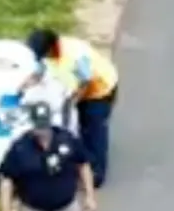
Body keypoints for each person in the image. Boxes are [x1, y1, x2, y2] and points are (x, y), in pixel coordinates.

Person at [21, 28, 120, 187]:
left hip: (100, 91)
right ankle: (82, 163)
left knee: (94, 131)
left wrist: (73, 102)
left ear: (51, 48)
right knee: (79, 127)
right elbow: (41, 69)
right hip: (80, 90)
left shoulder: (75, 54)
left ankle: (96, 174)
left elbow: (86, 82)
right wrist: (25, 85)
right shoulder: (49, 52)